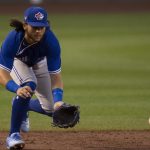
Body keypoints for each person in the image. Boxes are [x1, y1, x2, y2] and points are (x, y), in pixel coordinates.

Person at [0, 6, 65, 149]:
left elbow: (55, 76)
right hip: (19, 62)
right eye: (35, 27)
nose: (38, 31)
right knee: (29, 85)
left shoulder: (51, 41)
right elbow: (2, 73)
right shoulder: (13, 40)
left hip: (39, 62)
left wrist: (58, 101)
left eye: (42, 27)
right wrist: (17, 89)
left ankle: (23, 106)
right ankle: (13, 135)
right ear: (25, 25)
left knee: (52, 110)